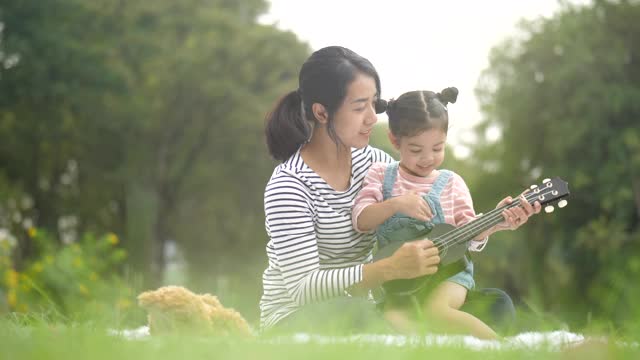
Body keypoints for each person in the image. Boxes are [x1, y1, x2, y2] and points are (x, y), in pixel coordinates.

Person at [351, 88, 541, 339]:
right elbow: (362, 220)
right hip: (402, 282)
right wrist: (396, 204)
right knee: (390, 319)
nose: (428, 158)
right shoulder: (380, 175)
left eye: (437, 148)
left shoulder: (452, 183)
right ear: (395, 141)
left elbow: (469, 235)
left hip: (449, 275)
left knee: (438, 311)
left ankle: (505, 349)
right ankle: (438, 343)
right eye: (416, 150)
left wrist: (496, 222)